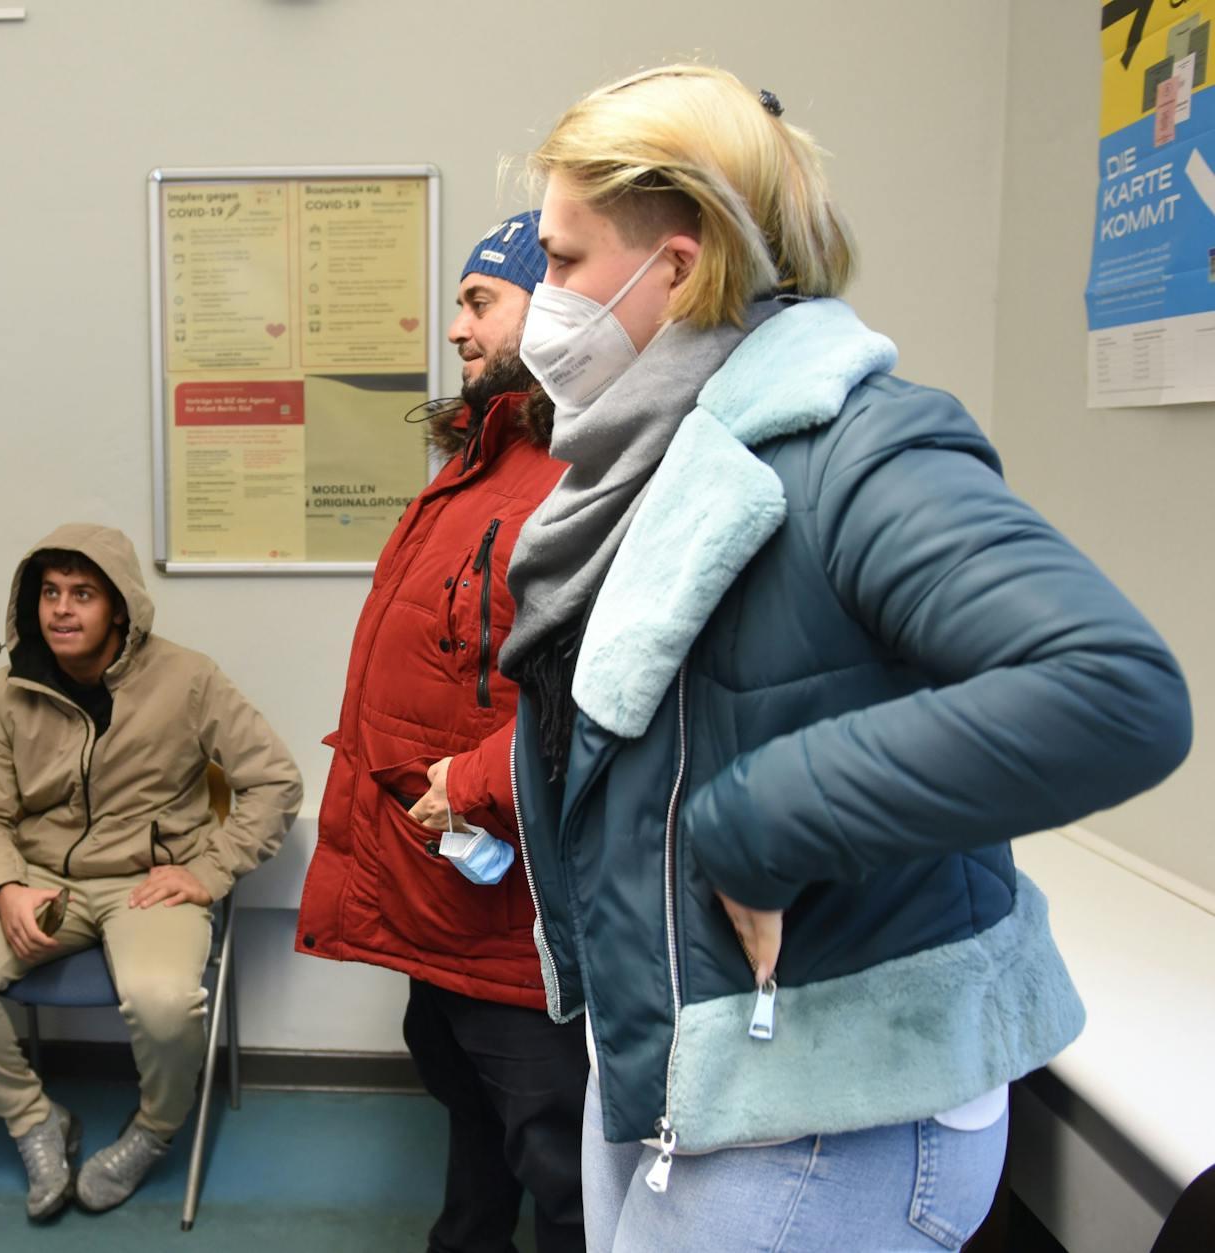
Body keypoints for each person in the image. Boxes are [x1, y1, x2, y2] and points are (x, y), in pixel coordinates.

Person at [497, 66, 1193, 1250]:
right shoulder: (647, 459)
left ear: (678, 261)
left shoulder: (855, 440)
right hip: (682, 1054)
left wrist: (757, 822)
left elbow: (1108, 687)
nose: (538, 296)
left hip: (827, 1106)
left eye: (562, 261)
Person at [295, 212, 588, 1253]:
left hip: (515, 908)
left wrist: (470, 780)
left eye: (478, 300)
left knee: (563, 1168)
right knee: (469, 1116)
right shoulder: (476, 462)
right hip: (447, 888)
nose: (455, 328)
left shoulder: (575, 478)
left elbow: (599, 703)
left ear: (548, 308)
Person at [0, 524, 302, 1220]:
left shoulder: (188, 678)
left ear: (119, 607)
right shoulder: (8, 692)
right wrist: (3, 888)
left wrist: (210, 871)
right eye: (51, 593)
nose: (62, 609)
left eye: (82, 594)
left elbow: (273, 780)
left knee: (163, 1001)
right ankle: (36, 1122)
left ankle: (153, 1129)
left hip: (146, 881)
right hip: (37, 879)